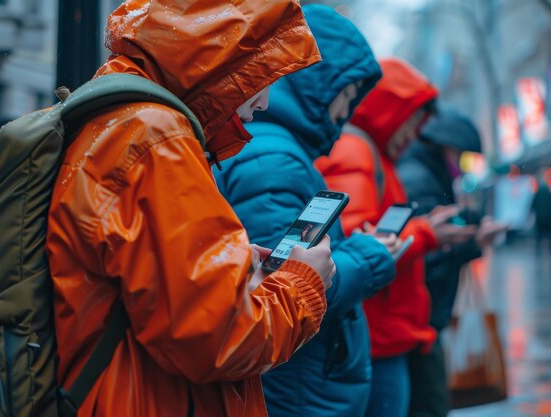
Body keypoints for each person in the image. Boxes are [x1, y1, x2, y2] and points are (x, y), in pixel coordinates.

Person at [45, 1, 335, 416]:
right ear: (220, 60)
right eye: (262, 71)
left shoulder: (117, 116)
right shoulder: (159, 141)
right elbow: (219, 339)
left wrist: (233, 267)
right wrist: (304, 282)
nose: (266, 101)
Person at [214, 6, 400, 417]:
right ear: (315, 84)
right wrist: (371, 256)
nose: (344, 113)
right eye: (344, 96)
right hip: (295, 388)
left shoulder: (274, 148)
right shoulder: (273, 157)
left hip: (297, 382)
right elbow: (288, 284)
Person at [316, 59, 476, 417]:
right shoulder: (357, 149)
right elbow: (359, 242)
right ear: (391, 110)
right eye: (412, 119)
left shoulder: (372, 152)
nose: (414, 133)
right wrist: (426, 232)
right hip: (378, 337)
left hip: (383, 333)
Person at [398, 110, 507, 417]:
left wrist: (474, 226)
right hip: (421, 321)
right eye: (461, 155)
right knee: (430, 403)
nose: (462, 165)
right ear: (446, 147)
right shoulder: (419, 177)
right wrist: (475, 242)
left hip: (421, 319)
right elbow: (428, 252)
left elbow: (442, 224)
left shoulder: (423, 172)